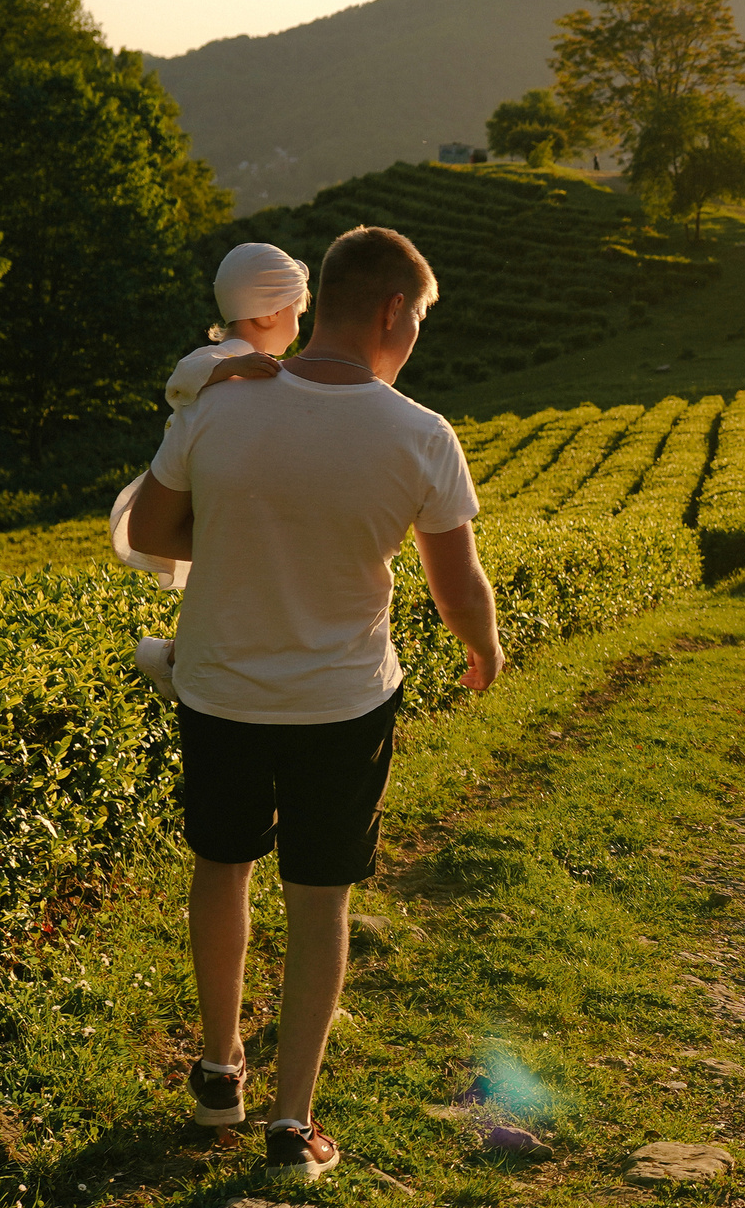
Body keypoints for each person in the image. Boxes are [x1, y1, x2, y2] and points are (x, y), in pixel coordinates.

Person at [126, 225, 505, 1182]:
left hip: (217, 686)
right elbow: (456, 586)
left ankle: (219, 1074)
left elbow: (159, 528)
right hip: (340, 703)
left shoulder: (223, 401)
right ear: (391, 312)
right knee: (318, 899)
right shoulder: (420, 433)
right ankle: (292, 1126)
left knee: (221, 867)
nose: (414, 334)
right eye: (416, 318)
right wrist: (484, 646)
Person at [112, 241, 311, 700]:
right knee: (224, 581)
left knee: (220, 582)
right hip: (192, 488)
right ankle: (171, 657)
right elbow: (183, 377)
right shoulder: (224, 358)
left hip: (209, 486)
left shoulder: (246, 365)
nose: (300, 325)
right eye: (295, 311)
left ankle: (173, 656)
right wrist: (234, 367)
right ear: (267, 315)